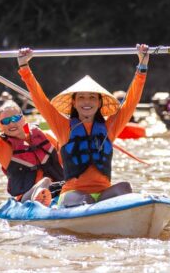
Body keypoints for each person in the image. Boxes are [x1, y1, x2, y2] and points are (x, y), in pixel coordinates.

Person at [17, 44, 150, 208]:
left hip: (103, 194)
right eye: (81, 98)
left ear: (99, 102)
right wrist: (24, 67)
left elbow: (131, 101)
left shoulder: (110, 126)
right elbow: (40, 100)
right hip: (73, 194)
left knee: (125, 187)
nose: (87, 102)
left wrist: (142, 66)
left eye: (92, 97)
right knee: (85, 200)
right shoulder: (63, 126)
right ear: (74, 101)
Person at [0, 59, 64, 205]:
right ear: (0, 126)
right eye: (5, 121)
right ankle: (42, 197)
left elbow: (66, 157)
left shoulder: (45, 137)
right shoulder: (1, 149)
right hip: (28, 199)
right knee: (45, 181)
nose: (11, 123)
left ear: (23, 119)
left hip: (58, 190)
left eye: (15, 118)